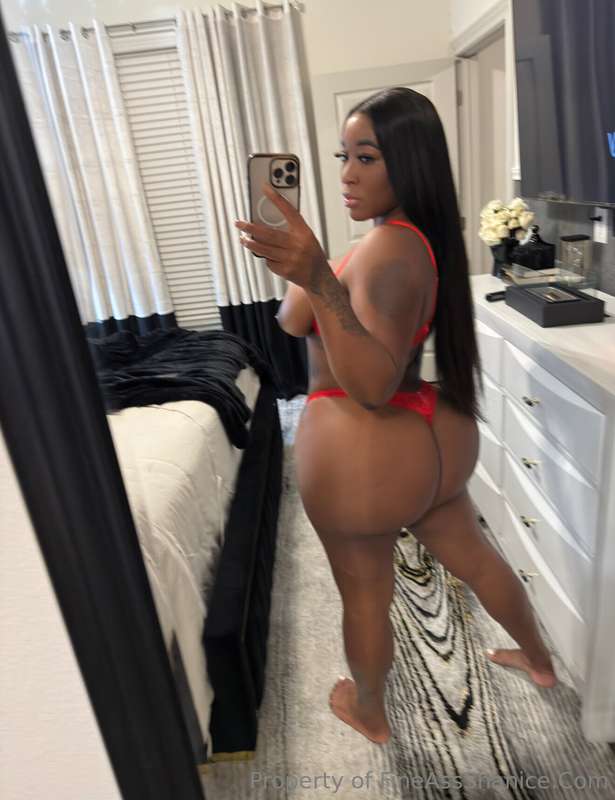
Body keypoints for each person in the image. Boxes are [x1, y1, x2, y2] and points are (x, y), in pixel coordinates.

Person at [234, 86, 557, 746]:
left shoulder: (384, 250)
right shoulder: (408, 241)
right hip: (431, 436)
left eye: (367, 157)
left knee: (363, 593)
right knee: (477, 558)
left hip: (368, 448)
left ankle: (370, 713)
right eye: (343, 157)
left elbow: (371, 385)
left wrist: (319, 277)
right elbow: (294, 316)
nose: (347, 174)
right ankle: (540, 662)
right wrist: (311, 264)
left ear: (408, 162)